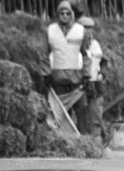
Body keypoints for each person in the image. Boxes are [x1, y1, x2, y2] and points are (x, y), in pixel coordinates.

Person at [42, 1, 90, 135]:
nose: (64, 15)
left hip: (77, 81)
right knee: (61, 114)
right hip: (58, 81)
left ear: (72, 14)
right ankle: (64, 142)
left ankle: (84, 141)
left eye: (67, 13)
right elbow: (44, 53)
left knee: (82, 110)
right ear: (57, 15)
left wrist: (86, 75)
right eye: (61, 13)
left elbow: (86, 55)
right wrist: (46, 74)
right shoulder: (50, 31)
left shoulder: (81, 31)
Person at [78, 16, 107, 139]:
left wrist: (102, 74)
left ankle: (97, 145)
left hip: (96, 87)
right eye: (85, 29)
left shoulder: (95, 44)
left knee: (96, 117)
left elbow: (103, 62)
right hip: (80, 87)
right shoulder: (75, 46)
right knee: (82, 119)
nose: (88, 32)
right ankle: (83, 144)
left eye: (90, 29)